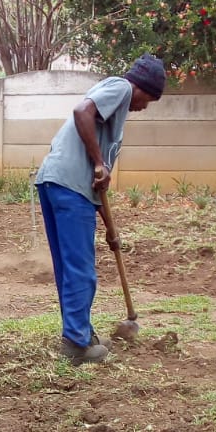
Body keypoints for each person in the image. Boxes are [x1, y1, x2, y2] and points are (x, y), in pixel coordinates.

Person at [34, 53, 166, 364]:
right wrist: (98, 162)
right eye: (148, 100)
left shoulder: (109, 116)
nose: (144, 107)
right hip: (70, 188)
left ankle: (79, 333)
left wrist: (110, 228)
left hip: (55, 182)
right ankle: (76, 344)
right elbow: (81, 111)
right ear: (141, 87)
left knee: (69, 268)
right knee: (81, 270)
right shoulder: (121, 88)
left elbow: (99, 186)